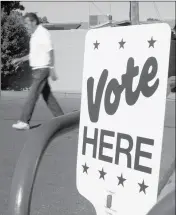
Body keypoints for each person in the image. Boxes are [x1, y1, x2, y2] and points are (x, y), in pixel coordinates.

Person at [12, 13, 64, 130]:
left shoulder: (43, 33)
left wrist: (51, 68)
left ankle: (24, 121)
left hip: (42, 69)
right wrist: (20, 59)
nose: (25, 26)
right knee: (48, 97)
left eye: (26, 23)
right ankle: (62, 120)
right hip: (37, 69)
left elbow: (50, 50)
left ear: (34, 22)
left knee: (32, 95)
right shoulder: (35, 35)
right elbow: (33, 54)